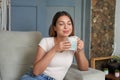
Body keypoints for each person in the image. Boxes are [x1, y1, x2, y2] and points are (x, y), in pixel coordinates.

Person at [20, 11, 89, 80]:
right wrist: (54, 49)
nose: (66, 27)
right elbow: (36, 71)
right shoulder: (46, 41)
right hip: (36, 77)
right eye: (61, 24)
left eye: (69, 24)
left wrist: (80, 51)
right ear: (55, 28)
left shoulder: (74, 41)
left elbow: (84, 68)